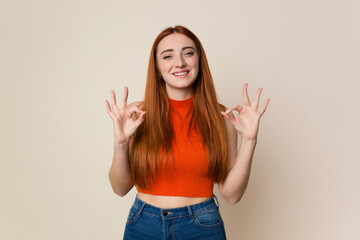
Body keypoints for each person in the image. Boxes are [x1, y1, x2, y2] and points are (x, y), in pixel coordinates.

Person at [104, 25, 270, 240]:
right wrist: (120, 143)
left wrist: (249, 140)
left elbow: (232, 195)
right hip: (144, 224)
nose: (179, 62)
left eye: (188, 53)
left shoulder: (221, 117)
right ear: (157, 67)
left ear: (199, 61)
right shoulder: (137, 114)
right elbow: (120, 188)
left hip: (202, 226)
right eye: (167, 56)